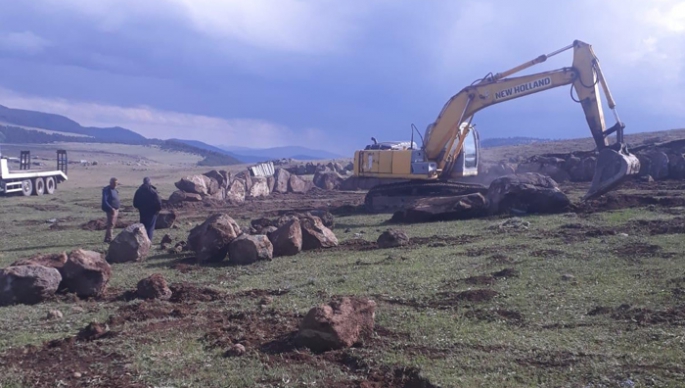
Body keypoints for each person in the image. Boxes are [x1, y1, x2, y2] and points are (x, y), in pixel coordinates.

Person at [101, 177, 120, 243]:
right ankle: (110, 238)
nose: (115, 185)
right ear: (111, 183)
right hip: (111, 210)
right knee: (111, 224)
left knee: (113, 224)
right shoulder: (107, 190)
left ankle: (107, 238)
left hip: (116, 209)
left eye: (116, 184)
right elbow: (105, 200)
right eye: (114, 183)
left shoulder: (115, 190)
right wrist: (111, 208)